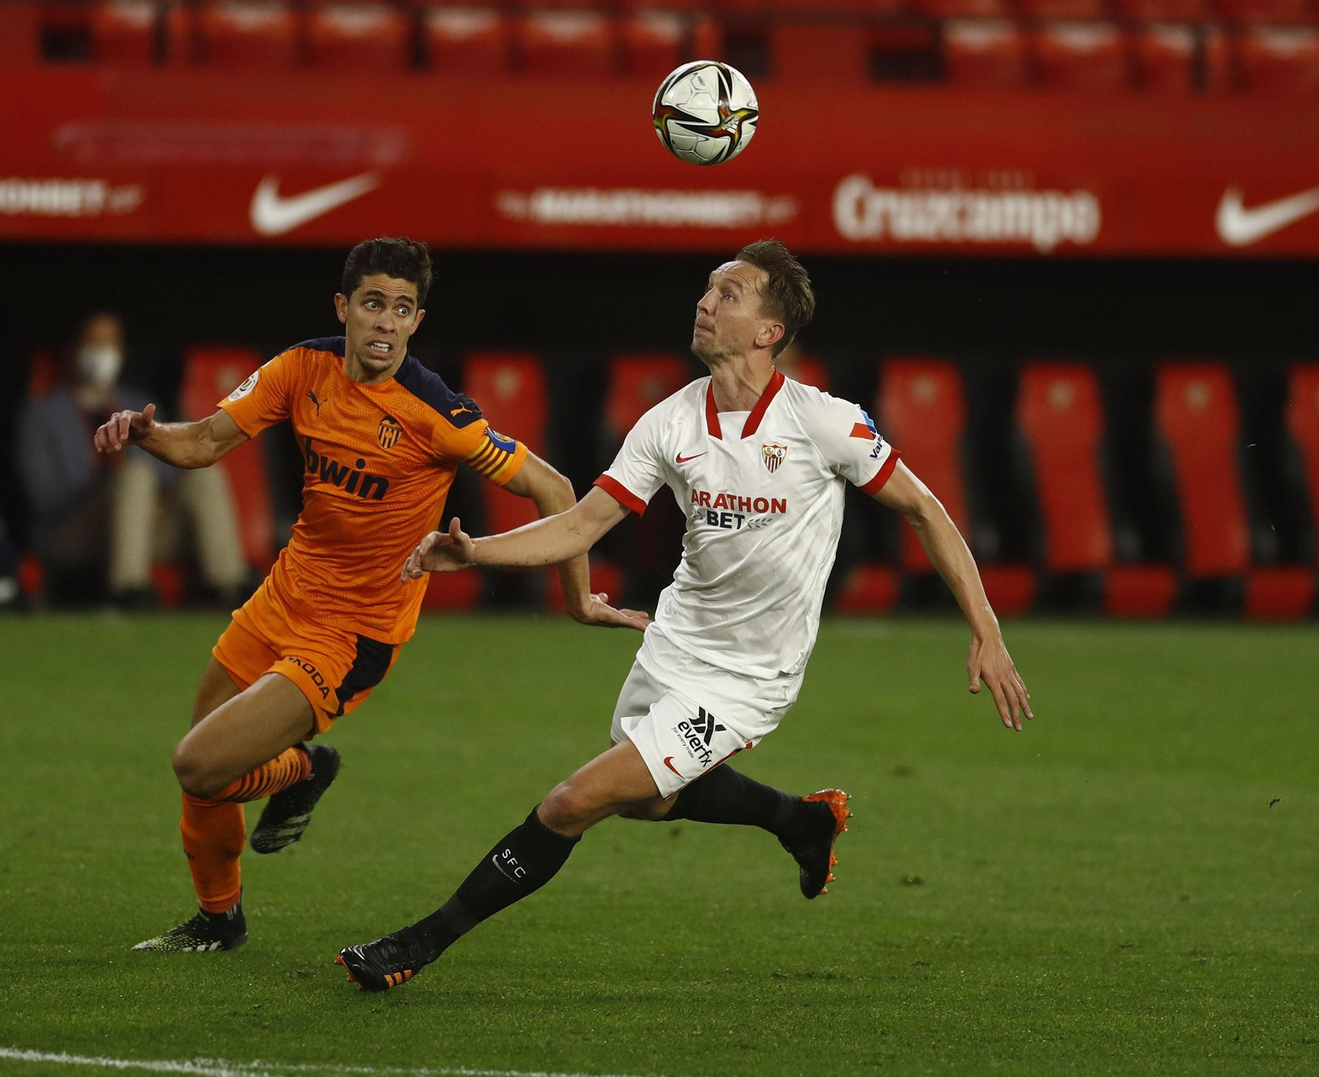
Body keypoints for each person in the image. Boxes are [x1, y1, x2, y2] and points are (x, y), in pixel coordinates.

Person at [336, 239, 1033, 991]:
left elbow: (925, 510)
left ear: (770, 331)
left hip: (749, 677)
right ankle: (802, 821)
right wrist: (476, 554)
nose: (705, 302)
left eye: (728, 294)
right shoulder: (670, 422)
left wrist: (986, 630)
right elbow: (580, 525)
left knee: (574, 801)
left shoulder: (824, 422)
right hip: (674, 645)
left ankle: (417, 944)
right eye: (707, 289)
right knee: (649, 799)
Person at [92, 238, 647, 953]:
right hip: (283, 595)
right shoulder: (301, 368)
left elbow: (555, 488)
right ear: (344, 307)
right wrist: (145, 434)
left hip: (353, 633)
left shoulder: (436, 411)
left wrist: (577, 599)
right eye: (374, 303)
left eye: (403, 309)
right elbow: (202, 442)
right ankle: (219, 918)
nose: (386, 322)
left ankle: (304, 767)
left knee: (197, 762)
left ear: (418, 321)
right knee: (205, 781)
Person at [17, 311, 246, 607]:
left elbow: (174, 463)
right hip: (75, 532)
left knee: (202, 474)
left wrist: (149, 498)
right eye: (94, 343)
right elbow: (42, 496)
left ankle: (227, 587)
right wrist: (117, 490)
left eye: (111, 343)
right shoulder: (43, 414)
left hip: (144, 530)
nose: (104, 353)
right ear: (74, 348)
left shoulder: (139, 404)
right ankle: (128, 591)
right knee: (134, 474)